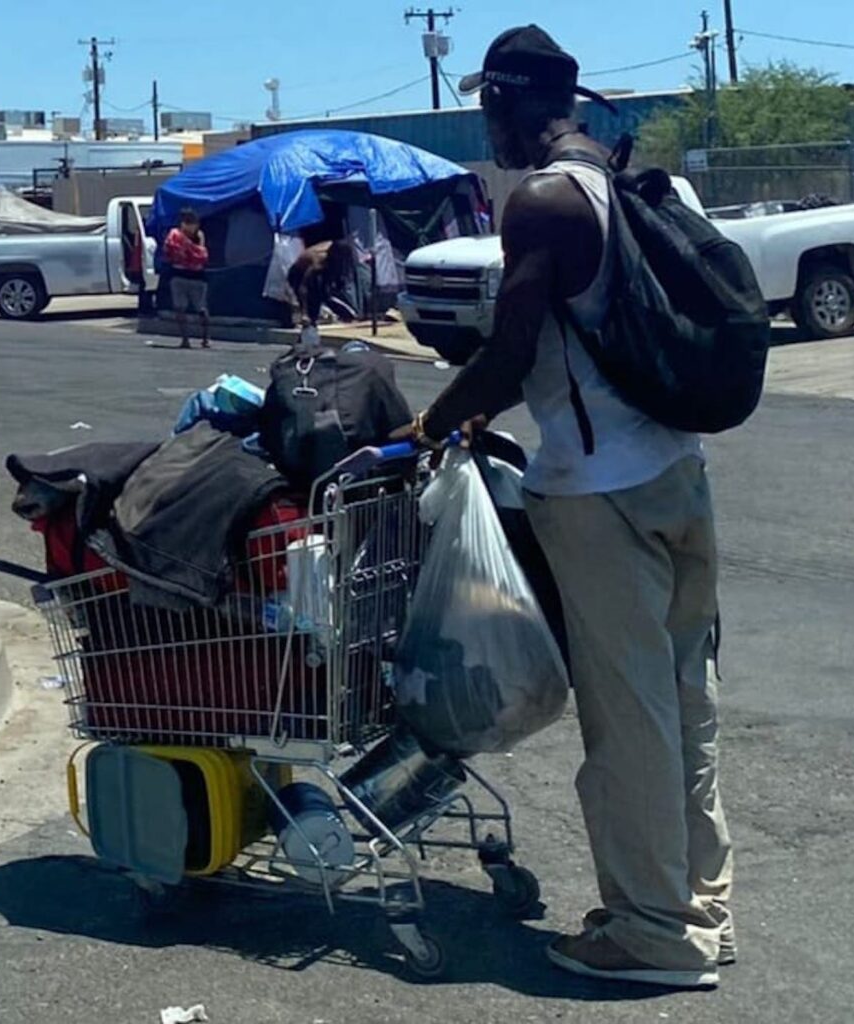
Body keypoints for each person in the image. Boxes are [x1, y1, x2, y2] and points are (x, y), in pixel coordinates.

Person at [396, 25, 734, 989]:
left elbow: (507, 357)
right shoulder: (626, 180)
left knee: (628, 721)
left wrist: (426, 430)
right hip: (679, 472)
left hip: (602, 494)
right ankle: (698, 905)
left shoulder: (543, 200)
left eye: (486, 106)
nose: (485, 125)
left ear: (507, 100)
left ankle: (652, 937)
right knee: (683, 706)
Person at [164, 208, 210, 349]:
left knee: (195, 309)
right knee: (187, 309)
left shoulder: (177, 236)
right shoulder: (182, 235)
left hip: (186, 276)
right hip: (188, 276)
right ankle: (199, 339)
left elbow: (200, 255)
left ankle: (199, 338)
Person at [287, 239, 357, 326]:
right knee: (317, 294)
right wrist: (304, 312)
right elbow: (303, 288)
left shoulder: (341, 251)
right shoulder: (318, 261)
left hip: (322, 267)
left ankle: (346, 314)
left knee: (328, 294)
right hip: (298, 273)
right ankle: (311, 317)